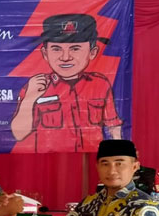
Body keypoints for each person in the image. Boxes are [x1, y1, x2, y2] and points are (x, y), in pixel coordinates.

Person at [10, 14, 123, 153]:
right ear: (45, 53)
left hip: (91, 159)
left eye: (75, 48)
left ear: (92, 52)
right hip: (50, 161)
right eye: (56, 49)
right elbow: (19, 134)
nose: (65, 57)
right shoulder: (36, 85)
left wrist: (120, 152)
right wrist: (29, 99)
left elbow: (113, 125)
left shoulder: (100, 83)